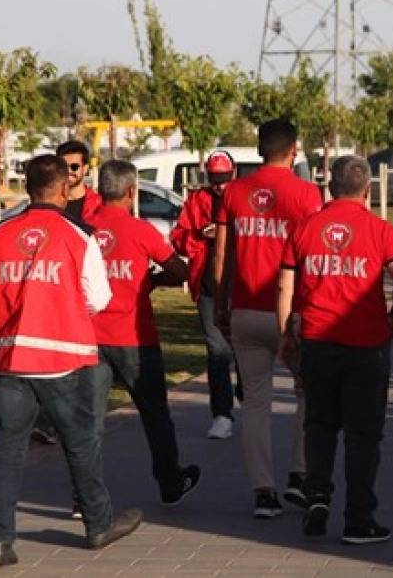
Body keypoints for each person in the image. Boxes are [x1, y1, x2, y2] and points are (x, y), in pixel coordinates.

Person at [0, 154, 140, 567]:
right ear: (65, 188)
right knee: (80, 444)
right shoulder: (78, 236)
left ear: (27, 188)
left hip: (8, 360)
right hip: (60, 359)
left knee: (7, 450)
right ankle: (98, 523)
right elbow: (99, 298)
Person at [277, 156, 393, 544]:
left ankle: (317, 495)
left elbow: (285, 286)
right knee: (363, 435)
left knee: (319, 424)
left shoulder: (304, 228)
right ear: (368, 190)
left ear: (329, 187)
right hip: (367, 344)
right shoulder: (382, 230)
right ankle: (359, 519)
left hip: (317, 341)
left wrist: (286, 332)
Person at [213, 119, 322, 518]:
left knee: (255, 401)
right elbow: (313, 254)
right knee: (307, 393)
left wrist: (221, 305)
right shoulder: (307, 193)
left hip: (245, 309)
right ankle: (299, 474)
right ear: (294, 149)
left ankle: (263, 492)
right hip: (290, 312)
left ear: (259, 149)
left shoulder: (234, 191)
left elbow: (221, 254)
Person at [87, 159, 201, 508]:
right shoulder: (140, 230)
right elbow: (180, 270)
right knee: (155, 414)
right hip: (135, 337)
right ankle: (170, 482)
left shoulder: (82, 230)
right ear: (132, 191)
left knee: (89, 420)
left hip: (89, 337)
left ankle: (83, 496)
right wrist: (150, 280)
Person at [171, 150, 239, 439]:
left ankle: (247, 392)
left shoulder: (245, 199)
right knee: (217, 351)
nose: (219, 185)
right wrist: (200, 234)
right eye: (214, 179)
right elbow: (178, 238)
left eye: (224, 179)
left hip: (243, 287)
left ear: (234, 174)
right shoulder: (197, 200)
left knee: (243, 348)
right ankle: (221, 414)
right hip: (209, 287)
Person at [56, 139, 102, 222]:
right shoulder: (50, 203)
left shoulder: (98, 205)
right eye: (63, 166)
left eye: (74, 167)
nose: (69, 171)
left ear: (85, 169)